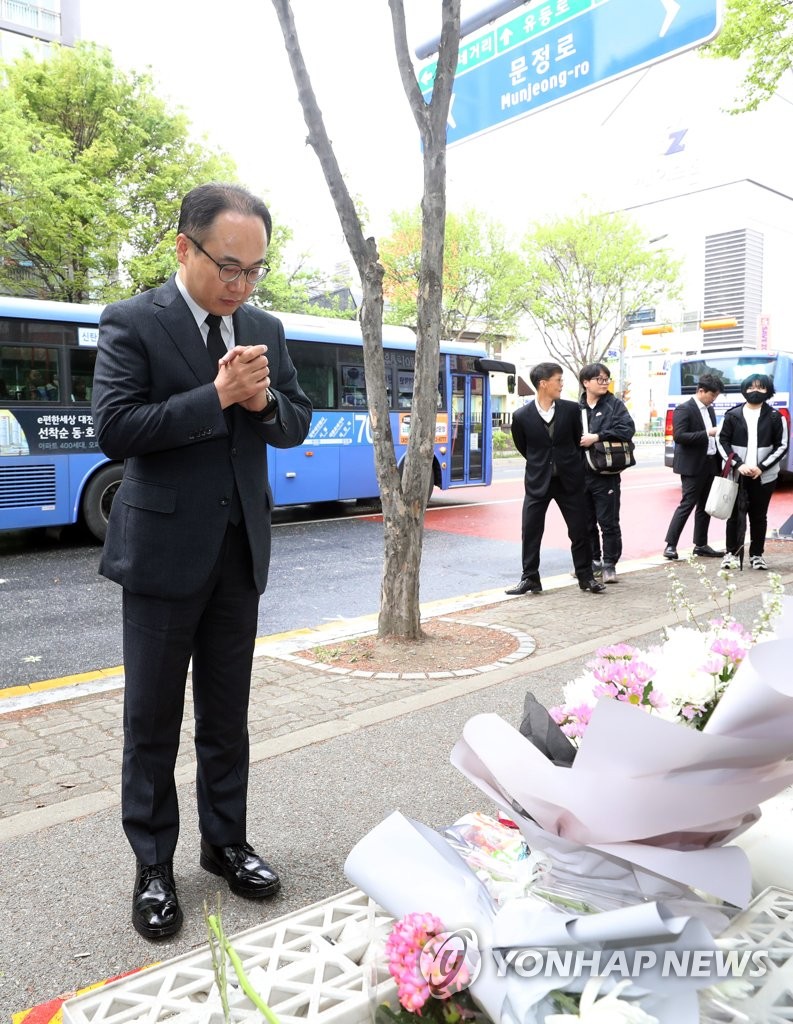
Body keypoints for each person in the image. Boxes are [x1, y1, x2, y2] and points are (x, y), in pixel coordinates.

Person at [92, 182, 312, 941]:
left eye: (255, 270)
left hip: (238, 552)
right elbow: (115, 428)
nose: (241, 285)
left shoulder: (263, 327)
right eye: (229, 266)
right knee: (150, 721)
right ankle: (154, 864)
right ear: (184, 247)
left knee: (227, 716)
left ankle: (225, 844)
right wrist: (217, 396)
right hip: (159, 556)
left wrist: (260, 406)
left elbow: (293, 420)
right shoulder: (133, 322)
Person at [506, 361, 606, 596]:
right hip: (537, 482)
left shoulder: (571, 410)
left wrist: (565, 464)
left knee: (579, 530)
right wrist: (543, 464)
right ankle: (530, 578)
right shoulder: (521, 416)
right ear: (543, 384)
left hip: (569, 480)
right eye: (558, 380)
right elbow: (525, 447)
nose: (561, 384)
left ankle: (586, 577)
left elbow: (575, 441)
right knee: (530, 531)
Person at [716, 373, 789, 570]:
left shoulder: (776, 417)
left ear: (768, 391)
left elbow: (781, 446)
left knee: (758, 516)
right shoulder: (732, 415)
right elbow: (721, 441)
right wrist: (738, 464)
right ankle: (731, 553)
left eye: (760, 387)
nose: (754, 391)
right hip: (737, 474)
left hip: (763, 476)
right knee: (734, 517)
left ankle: (757, 555)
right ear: (744, 390)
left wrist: (761, 467)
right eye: (750, 387)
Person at [578, 363, 636, 584]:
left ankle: (610, 564)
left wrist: (598, 436)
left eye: (606, 379)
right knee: (586, 521)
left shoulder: (614, 405)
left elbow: (627, 430)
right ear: (586, 382)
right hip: (581, 472)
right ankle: (594, 561)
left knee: (608, 521)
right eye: (599, 379)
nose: (604, 383)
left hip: (606, 472)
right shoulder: (577, 407)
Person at [662, 373, 725, 560]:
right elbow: (679, 437)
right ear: (701, 391)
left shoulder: (710, 410)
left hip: (710, 463)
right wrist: (708, 433)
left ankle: (701, 544)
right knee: (687, 504)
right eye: (712, 396)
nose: (713, 400)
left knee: (706, 506)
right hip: (692, 465)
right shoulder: (684, 409)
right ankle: (670, 545)